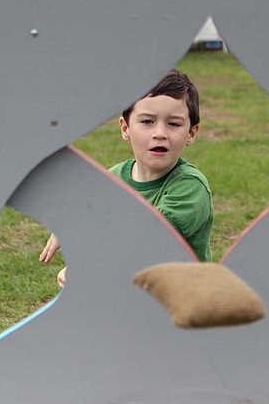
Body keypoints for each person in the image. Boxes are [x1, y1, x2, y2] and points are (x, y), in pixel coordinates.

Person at [40, 69, 213, 285]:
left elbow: (148, 240)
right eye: (147, 121)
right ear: (125, 128)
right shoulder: (115, 179)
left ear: (191, 133)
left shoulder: (191, 187)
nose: (160, 133)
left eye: (174, 124)